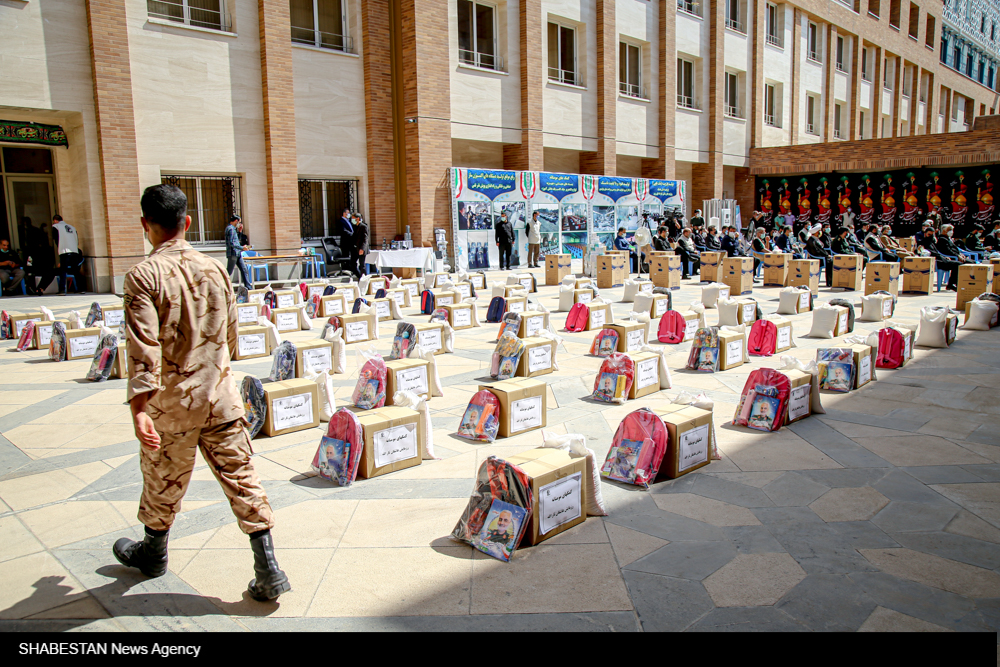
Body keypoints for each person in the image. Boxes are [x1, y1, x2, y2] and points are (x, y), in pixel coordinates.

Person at [112, 184, 289, 601]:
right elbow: (230, 336)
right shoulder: (215, 270)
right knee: (242, 478)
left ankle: (154, 553)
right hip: (220, 398)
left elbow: (143, 347)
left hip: (172, 405)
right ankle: (268, 569)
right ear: (187, 222)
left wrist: (140, 408)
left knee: (162, 479)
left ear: (145, 226)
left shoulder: (143, 275)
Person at [918, 226, 959, 290]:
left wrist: (944, 257)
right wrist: (942, 257)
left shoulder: (932, 242)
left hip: (942, 260)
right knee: (957, 265)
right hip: (937, 262)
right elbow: (932, 253)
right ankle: (951, 284)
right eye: (929, 234)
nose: (931, 236)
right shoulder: (924, 243)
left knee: (958, 264)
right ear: (925, 234)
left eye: (932, 234)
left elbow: (937, 252)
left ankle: (952, 283)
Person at [51, 214, 84, 294]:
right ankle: (81, 289)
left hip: (64, 250)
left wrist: (59, 247)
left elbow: (56, 238)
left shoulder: (56, 226)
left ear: (55, 220)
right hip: (74, 250)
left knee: (63, 270)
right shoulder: (72, 227)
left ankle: (62, 290)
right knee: (76, 270)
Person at [25, 218, 55, 295]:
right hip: (33, 267)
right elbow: (29, 262)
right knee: (30, 272)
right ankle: (31, 289)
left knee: (51, 272)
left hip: (42, 267)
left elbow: (50, 262)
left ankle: (40, 288)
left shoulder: (46, 249)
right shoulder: (30, 249)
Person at [225, 216, 252, 291]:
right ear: (236, 221)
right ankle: (222, 285)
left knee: (244, 269)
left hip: (237, 253)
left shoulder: (233, 229)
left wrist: (239, 232)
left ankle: (248, 287)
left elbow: (237, 241)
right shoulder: (230, 229)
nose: (239, 224)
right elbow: (231, 243)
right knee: (229, 271)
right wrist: (242, 248)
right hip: (233, 253)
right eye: (239, 222)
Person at [338, 208, 359, 278]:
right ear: (344, 213)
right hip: (345, 242)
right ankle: (346, 270)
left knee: (353, 256)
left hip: (351, 242)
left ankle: (352, 269)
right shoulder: (341, 221)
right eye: (347, 213)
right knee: (345, 255)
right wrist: (352, 234)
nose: (348, 214)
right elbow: (344, 231)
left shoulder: (348, 221)